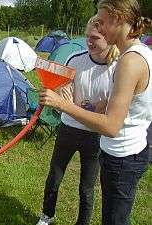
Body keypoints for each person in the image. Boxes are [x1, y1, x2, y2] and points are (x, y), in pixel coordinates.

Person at [39, 1, 152, 224]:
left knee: (112, 216)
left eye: (101, 23)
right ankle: (47, 214)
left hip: (122, 156)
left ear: (118, 18)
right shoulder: (140, 54)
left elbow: (111, 126)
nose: (98, 30)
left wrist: (63, 105)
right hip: (125, 152)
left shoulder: (128, 61)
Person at [36, 15, 119, 225]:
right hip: (68, 128)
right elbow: (65, 89)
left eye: (95, 38)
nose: (89, 42)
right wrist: (64, 89)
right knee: (54, 176)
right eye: (87, 36)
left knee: (87, 187)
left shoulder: (117, 69)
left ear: (109, 38)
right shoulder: (75, 59)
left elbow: (108, 110)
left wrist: (85, 107)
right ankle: (47, 216)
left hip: (94, 135)